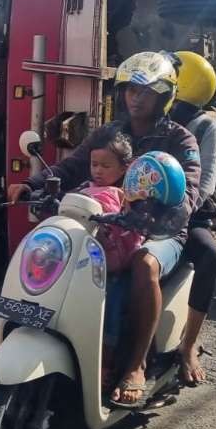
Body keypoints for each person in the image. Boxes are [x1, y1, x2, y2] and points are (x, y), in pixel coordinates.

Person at [8, 51, 201, 408]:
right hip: (111, 225)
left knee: (144, 264)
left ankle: (135, 366)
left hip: (160, 232)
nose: (136, 97)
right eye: (130, 90)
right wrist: (33, 184)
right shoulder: (110, 133)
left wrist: (160, 212)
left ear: (165, 96)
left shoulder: (181, 140)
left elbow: (188, 192)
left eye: (146, 91)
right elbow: (72, 167)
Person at [168, 51, 216, 385]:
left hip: (189, 216)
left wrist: (177, 212)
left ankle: (188, 344)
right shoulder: (151, 116)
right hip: (143, 212)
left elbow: (205, 183)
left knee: (211, 256)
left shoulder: (206, 126)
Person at [76, 129, 142, 390]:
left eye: (106, 166)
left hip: (115, 267)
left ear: (124, 168)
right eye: (94, 164)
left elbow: (126, 224)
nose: (98, 171)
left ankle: (107, 358)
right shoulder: (84, 189)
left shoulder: (124, 196)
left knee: (112, 302)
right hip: (85, 261)